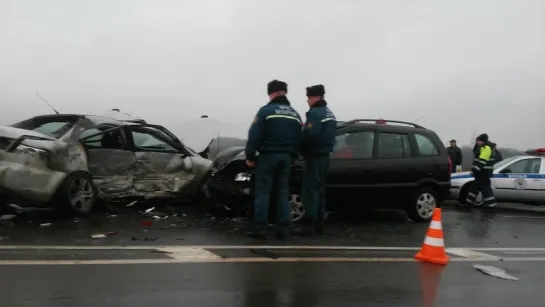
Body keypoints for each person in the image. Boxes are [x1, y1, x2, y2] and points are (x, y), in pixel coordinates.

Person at [245, 80, 302, 239]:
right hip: (285, 158)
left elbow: (254, 135)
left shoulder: (266, 111)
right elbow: (299, 139)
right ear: (284, 92)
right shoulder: (295, 114)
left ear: (271, 93)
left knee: (263, 193)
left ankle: (260, 229)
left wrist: (250, 156)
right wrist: (292, 156)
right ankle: (283, 229)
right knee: (283, 193)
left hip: (268, 157)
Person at [299, 84, 336, 235]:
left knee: (310, 190)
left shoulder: (316, 113)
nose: (307, 100)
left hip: (315, 156)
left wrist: (298, 147)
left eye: (309, 97)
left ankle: (311, 224)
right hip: (325, 156)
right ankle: (319, 223)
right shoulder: (329, 112)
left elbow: (310, 135)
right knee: (320, 190)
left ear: (317, 97)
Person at [465, 133, 497, 208]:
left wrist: (474, 170)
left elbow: (482, 161)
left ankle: (491, 206)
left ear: (483, 141)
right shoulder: (483, 147)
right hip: (481, 173)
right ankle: (469, 203)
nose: (477, 142)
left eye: (479, 141)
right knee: (474, 188)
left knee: (485, 189)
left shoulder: (486, 148)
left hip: (483, 173)